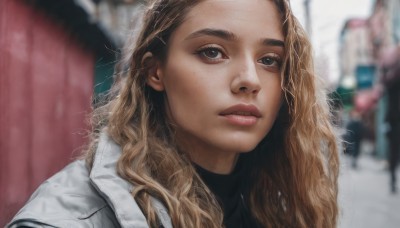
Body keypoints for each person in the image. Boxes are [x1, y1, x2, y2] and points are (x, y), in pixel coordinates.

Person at [8, 0, 340, 227]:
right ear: (156, 72)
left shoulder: (279, 203)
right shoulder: (64, 220)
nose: (250, 81)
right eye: (212, 52)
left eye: (269, 60)